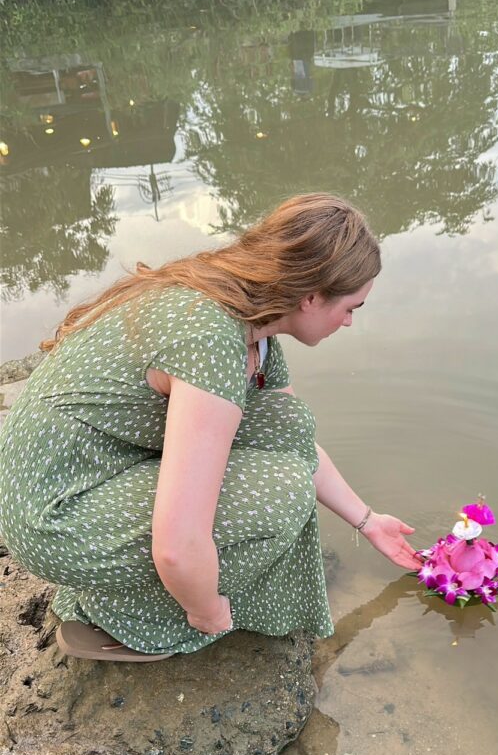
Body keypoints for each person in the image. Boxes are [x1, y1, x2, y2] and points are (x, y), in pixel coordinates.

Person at [0, 193, 421, 661]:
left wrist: (368, 521)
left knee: (285, 421)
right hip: (50, 514)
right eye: (351, 308)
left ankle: (137, 589)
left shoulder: (250, 324)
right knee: (282, 494)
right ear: (312, 297)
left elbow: (296, 440)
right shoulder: (210, 341)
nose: (348, 322)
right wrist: (206, 610)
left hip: (91, 472)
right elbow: (179, 546)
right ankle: (128, 618)